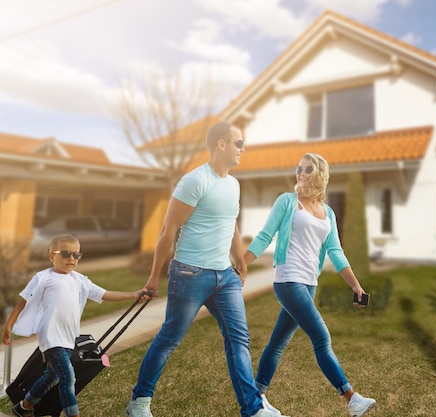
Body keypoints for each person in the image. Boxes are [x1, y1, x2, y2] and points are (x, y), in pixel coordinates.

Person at [125, 122, 284, 417]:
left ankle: (252, 409)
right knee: (170, 338)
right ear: (220, 144)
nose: (243, 149)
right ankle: (139, 402)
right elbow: (168, 229)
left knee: (239, 339)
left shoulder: (233, 184)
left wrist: (239, 258)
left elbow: (231, 224)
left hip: (225, 276)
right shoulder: (194, 181)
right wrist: (153, 275)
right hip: (190, 274)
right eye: (238, 143)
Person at [243, 153, 377, 417]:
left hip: (308, 284)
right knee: (321, 338)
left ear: (320, 175)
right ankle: (351, 398)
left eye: (308, 168)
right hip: (288, 280)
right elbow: (265, 235)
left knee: (277, 343)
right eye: (299, 168)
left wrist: (355, 285)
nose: (301, 172)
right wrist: (243, 263)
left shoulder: (328, 213)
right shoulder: (287, 201)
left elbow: (335, 252)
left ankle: (256, 397)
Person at [2, 234, 148, 417]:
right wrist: (9, 324)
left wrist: (134, 294)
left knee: (52, 376)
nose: (71, 258)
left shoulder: (80, 281)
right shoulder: (43, 278)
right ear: (51, 256)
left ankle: (25, 406)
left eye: (76, 255)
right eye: (64, 253)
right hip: (51, 337)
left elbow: (104, 294)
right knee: (68, 377)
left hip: (68, 338)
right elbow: (23, 302)